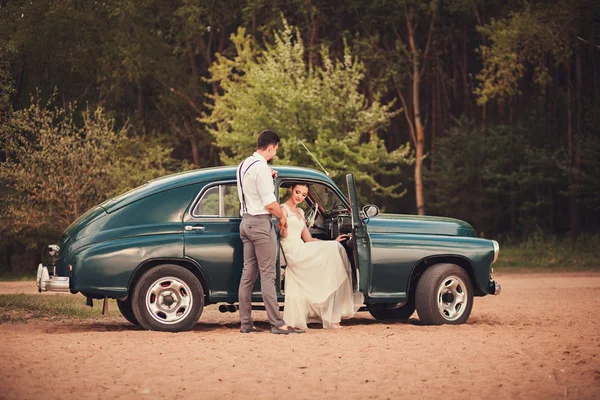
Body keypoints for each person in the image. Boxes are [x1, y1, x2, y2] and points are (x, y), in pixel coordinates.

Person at [237, 130, 304, 335]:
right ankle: (277, 324)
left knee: (247, 275)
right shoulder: (262, 169)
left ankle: (246, 324)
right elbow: (270, 204)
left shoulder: (244, 165)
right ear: (271, 147)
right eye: (275, 149)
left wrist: (269, 171)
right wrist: (282, 217)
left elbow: (254, 182)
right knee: (268, 275)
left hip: (246, 223)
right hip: (260, 224)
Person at [279, 183, 362, 329]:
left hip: (301, 246)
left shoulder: (300, 212)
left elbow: (308, 239)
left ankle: (333, 315)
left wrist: (330, 242)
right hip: (292, 250)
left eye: (304, 195)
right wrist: (283, 228)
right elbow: (283, 234)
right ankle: (331, 315)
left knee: (334, 247)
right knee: (333, 251)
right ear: (291, 190)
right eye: (297, 192)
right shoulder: (282, 209)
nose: (300, 197)